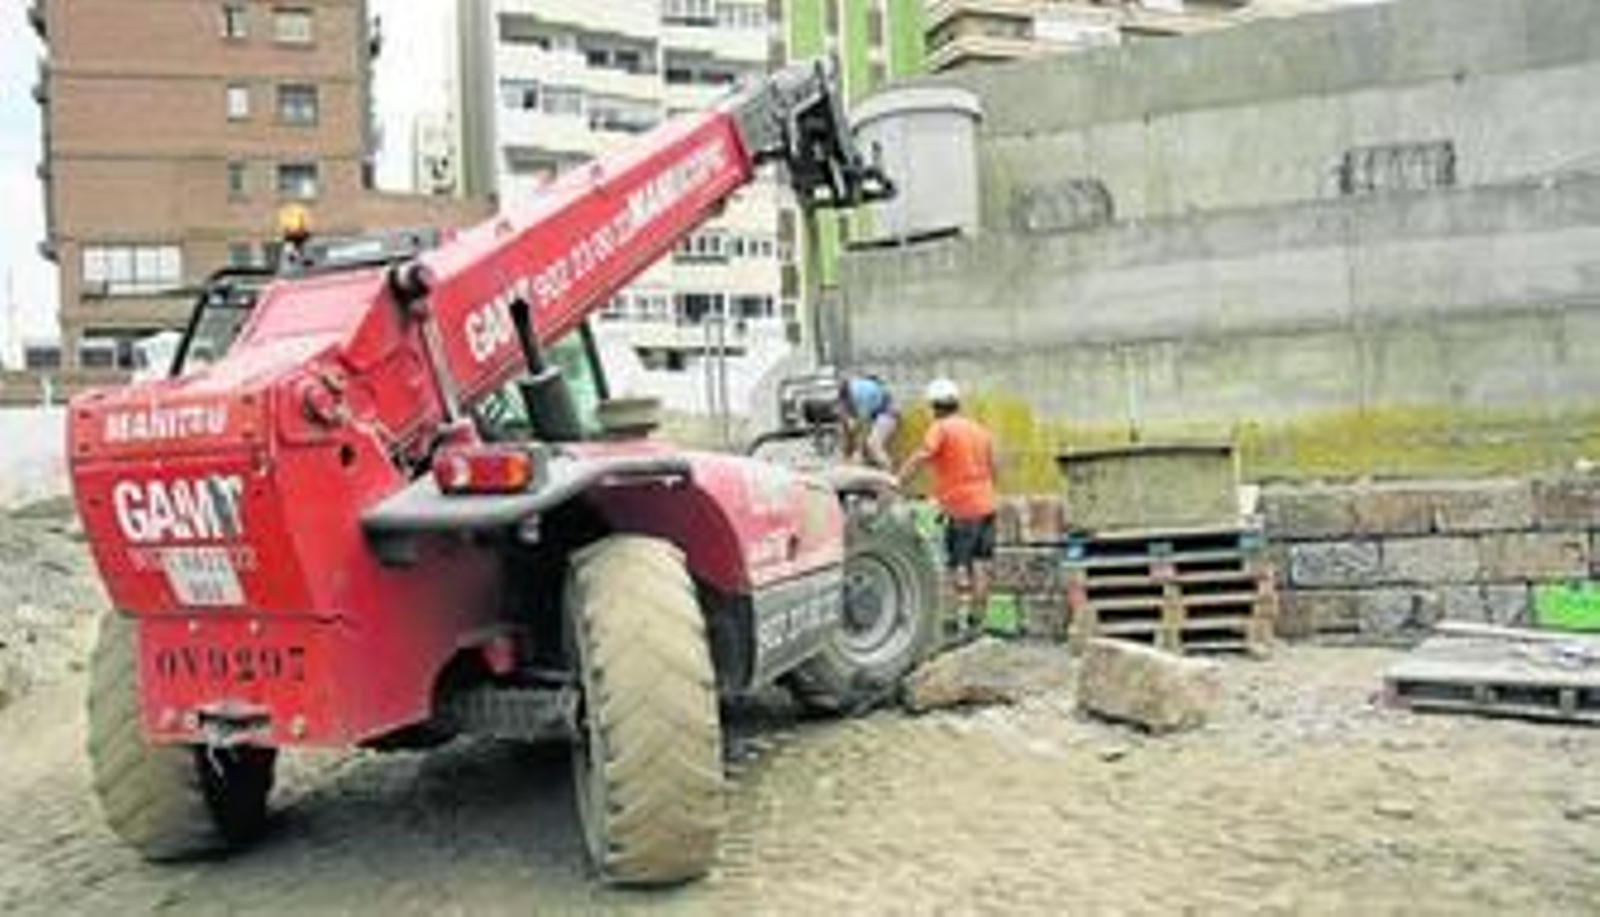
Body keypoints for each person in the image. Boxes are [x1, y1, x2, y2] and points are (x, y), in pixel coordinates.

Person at [896, 378, 998, 635]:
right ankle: (978, 623)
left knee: (954, 566)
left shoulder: (940, 428)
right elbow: (994, 467)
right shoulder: (978, 429)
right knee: (981, 565)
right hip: (986, 506)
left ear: (933, 406)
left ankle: (951, 623)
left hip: (960, 509)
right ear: (957, 403)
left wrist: (896, 480)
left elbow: (924, 454)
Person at [838, 373, 900, 470]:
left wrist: (858, 451)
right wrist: (846, 455)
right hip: (874, 415)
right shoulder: (847, 402)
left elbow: (864, 428)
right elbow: (848, 430)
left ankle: (890, 472)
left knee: (873, 444)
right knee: (863, 448)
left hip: (888, 413)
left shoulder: (861, 394)